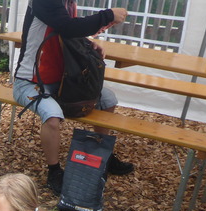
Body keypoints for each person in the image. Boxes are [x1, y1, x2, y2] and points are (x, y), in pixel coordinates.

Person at [13, 0, 135, 194]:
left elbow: (66, 33)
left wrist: (88, 43)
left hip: (63, 81)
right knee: (52, 117)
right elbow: (68, 27)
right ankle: (54, 171)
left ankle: (104, 155)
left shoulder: (67, 3)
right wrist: (108, 15)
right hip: (30, 82)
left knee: (107, 100)